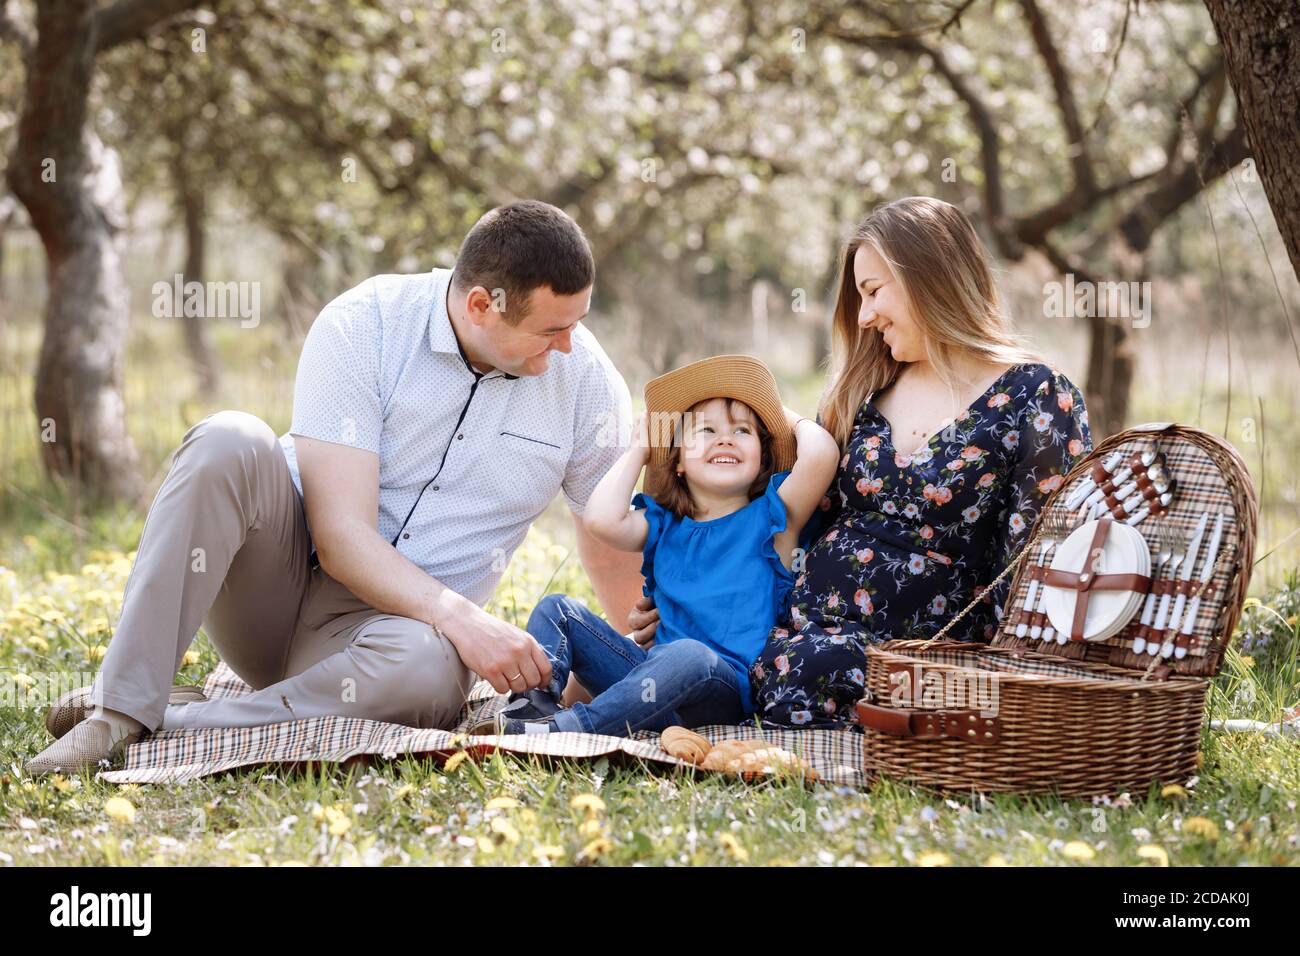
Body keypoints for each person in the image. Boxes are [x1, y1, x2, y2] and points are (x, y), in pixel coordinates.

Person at [27, 200, 642, 774]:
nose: (568, 346)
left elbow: (608, 525)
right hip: (277, 589)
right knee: (228, 437)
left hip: (393, 643)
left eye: (577, 323)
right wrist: (466, 620)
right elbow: (342, 537)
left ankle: (175, 721)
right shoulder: (365, 324)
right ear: (481, 304)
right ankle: (118, 712)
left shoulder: (582, 378)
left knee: (429, 669)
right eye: (550, 330)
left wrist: (642, 670)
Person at [627, 197, 1093, 729]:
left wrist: (1023, 691)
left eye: (873, 292)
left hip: (919, 652)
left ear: (929, 277)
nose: (866, 316)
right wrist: (692, 591)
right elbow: (782, 525)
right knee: (724, 661)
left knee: (810, 667)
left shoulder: (1035, 395)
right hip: (792, 635)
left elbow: (1037, 557)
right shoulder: (862, 392)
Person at [478, 355, 839, 737]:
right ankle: (535, 707)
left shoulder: (772, 519)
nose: (725, 438)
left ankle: (570, 729)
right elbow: (601, 520)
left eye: (743, 431)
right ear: (677, 461)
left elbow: (821, 455)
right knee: (558, 609)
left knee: (687, 654)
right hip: (645, 688)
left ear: (762, 456)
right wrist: (639, 450)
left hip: (718, 693)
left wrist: (771, 409)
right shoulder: (664, 523)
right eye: (706, 430)